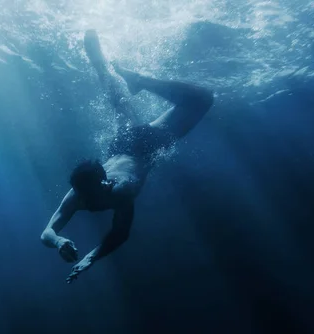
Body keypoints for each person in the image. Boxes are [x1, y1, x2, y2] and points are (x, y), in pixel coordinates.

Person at [40, 30, 214, 283]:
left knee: (203, 99)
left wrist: (92, 256)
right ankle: (107, 66)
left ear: (103, 184)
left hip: (146, 147)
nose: (85, 201)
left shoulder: (122, 191)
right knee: (119, 101)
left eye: (89, 195)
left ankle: (137, 79)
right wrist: (59, 242)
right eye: (83, 195)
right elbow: (47, 231)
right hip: (120, 145)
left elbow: (121, 233)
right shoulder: (78, 193)